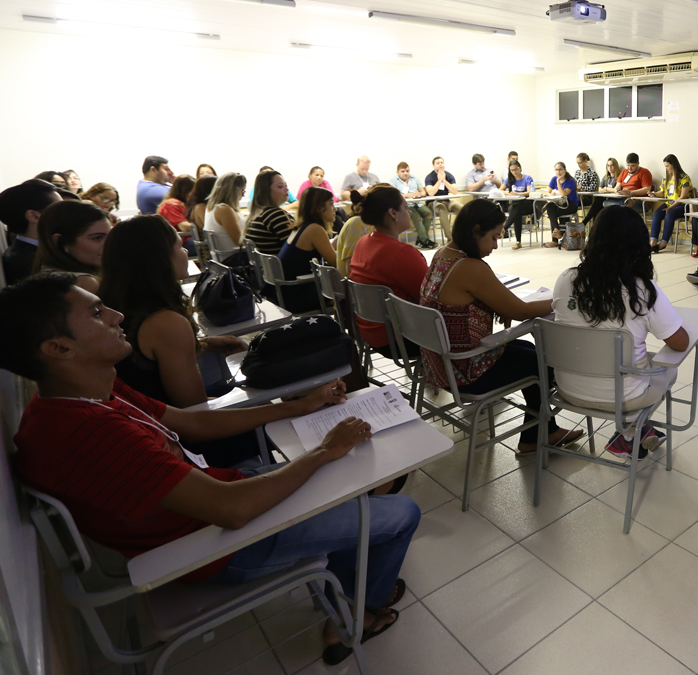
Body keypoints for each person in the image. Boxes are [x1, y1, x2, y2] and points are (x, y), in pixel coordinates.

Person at [0, 272, 418, 666]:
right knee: (401, 515)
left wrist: (299, 406)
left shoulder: (90, 388)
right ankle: (356, 614)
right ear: (58, 348)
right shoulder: (87, 434)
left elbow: (193, 422)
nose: (116, 315)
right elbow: (231, 510)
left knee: (357, 480)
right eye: (96, 313)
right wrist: (325, 449)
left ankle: (351, 569)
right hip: (216, 548)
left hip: (215, 502)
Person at [420, 200, 583, 454]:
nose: (496, 246)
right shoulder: (469, 267)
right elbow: (521, 311)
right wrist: (564, 301)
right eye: (494, 237)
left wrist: (495, 305)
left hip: (438, 364)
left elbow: (458, 301)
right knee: (541, 363)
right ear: (476, 230)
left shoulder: (443, 254)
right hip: (465, 370)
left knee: (528, 352)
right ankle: (539, 434)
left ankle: (543, 431)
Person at [97, 216, 257, 466]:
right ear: (161, 261)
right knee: (263, 398)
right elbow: (196, 410)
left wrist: (204, 345)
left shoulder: (113, 303)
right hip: (182, 444)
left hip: (148, 428)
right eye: (178, 247)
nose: (185, 252)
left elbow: (145, 368)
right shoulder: (166, 322)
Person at [552, 206, 689, 457]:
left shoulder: (566, 279)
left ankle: (633, 431)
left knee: (632, 358)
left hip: (567, 389)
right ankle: (630, 431)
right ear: (638, 244)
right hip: (625, 397)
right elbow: (680, 342)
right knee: (667, 368)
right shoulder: (641, 290)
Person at [349, 186, 429, 358]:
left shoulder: (363, 242)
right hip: (401, 338)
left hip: (369, 332)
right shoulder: (400, 252)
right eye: (406, 207)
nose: (408, 212)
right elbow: (432, 295)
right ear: (393, 213)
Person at [275, 186, 337, 312]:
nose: (335, 209)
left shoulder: (302, 226)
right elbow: (336, 262)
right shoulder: (315, 229)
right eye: (331, 204)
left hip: (287, 292)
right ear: (319, 207)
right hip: (298, 295)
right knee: (350, 293)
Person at [0, 179, 62, 284]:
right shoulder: (28, 261)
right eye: (59, 210)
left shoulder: (28, 252)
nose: (66, 216)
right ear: (34, 216)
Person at [32, 200, 111, 279]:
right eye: (98, 238)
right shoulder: (84, 282)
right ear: (61, 242)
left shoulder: (46, 273)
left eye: (110, 236)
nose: (110, 243)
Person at [647, 154, 694, 253]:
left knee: (669, 215)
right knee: (657, 214)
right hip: (669, 204)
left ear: (674, 165)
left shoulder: (684, 178)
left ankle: (663, 243)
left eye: (668, 166)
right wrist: (654, 194)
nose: (666, 169)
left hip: (682, 205)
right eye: (665, 166)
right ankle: (653, 242)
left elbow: (683, 197)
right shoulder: (667, 178)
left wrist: (671, 207)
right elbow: (663, 193)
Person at [245, 170, 294, 256]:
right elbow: (296, 248)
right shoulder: (276, 215)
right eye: (280, 186)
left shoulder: (255, 214)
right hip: (282, 268)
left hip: (265, 268)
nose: (287, 189)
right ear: (266, 191)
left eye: (285, 185)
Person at [204, 172, 247, 254]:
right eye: (242, 191)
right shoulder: (224, 210)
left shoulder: (213, 207)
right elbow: (240, 241)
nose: (243, 195)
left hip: (225, 258)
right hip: (233, 258)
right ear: (234, 191)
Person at [501, 160, 538, 250]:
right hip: (514, 205)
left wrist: (518, 194)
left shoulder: (527, 178)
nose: (514, 172)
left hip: (527, 205)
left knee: (517, 208)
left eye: (516, 169)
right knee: (516, 210)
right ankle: (518, 242)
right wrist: (510, 194)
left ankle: (505, 228)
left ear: (520, 168)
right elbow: (500, 190)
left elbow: (529, 192)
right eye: (512, 170)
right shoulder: (509, 180)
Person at [156, 175, 197, 256]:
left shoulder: (175, 203)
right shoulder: (172, 205)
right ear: (185, 190)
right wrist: (201, 225)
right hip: (180, 243)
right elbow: (184, 227)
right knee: (213, 243)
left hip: (182, 240)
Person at [544, 161, 580, 248]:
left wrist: (558, 181)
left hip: (571, 205)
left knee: (552, 213)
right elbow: (547, 192)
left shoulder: (570, 180)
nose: (558, 172)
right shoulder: (553, 178)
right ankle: (557, 230)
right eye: (556, 170)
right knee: (549, 206)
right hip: (559, 204)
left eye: (560, 169)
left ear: (565, 170)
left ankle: (555, 238)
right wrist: (551, 194)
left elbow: (563, 194)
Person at [580, 157, 623, 226]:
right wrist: (608, 190)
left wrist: (606, 188)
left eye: (612, 165)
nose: (609, 167)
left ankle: (585, 222)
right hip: (605, 198)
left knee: (597, 203)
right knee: (597, 208)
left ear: (616, 166)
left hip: (614, 199)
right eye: (608, 165)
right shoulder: (606, 177)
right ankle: (592, 228)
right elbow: (600, 189)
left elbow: (616, 190)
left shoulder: (619, 177)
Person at [426, 156, 461, 239]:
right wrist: (439, 181)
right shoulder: (429, 177)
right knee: (442, 210)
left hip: (446, 201)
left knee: (462, 208)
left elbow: (455, 191)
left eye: (442, 163)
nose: (440, 165)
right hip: (433, 203)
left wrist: (444, 180)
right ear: (433, 166)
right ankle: (450, 238)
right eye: (438, 163)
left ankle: (461, 234)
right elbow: (430, 193)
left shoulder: (449, 175)